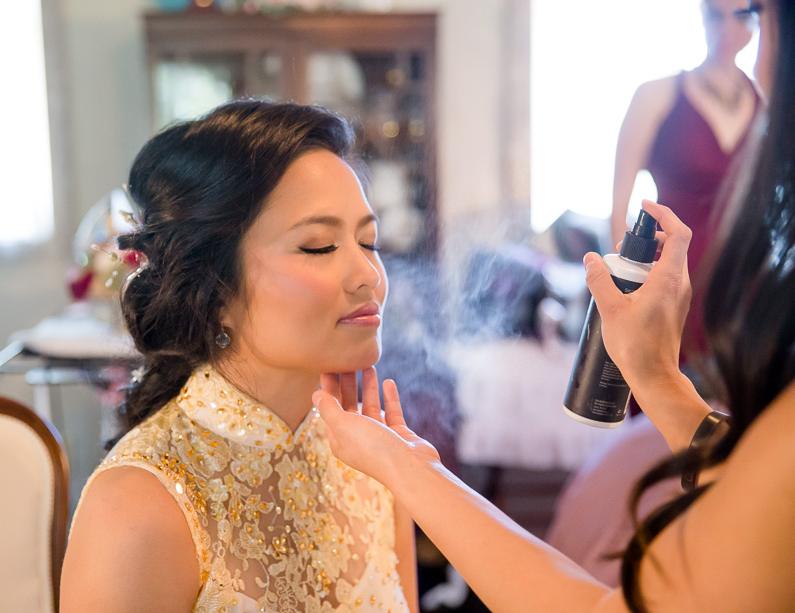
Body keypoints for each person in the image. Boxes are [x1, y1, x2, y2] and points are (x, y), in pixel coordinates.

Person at [315, 0, 795, 610]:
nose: (368, 276)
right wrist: (655, 376)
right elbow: (745, 480)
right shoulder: (660, 96)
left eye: (756, 15)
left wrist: (405, 470)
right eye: (316, 245)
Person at [60, 101, 418, 612]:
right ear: (216, 290)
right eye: (318, 246)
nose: (368, 276)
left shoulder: (375, 461)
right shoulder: (137, 505)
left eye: (369, 241)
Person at [611, 0, 762, 363]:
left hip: (742, 280)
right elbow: (618, 210)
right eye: (714, 14)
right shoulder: (655, 94)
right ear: (700, 15)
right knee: (659, 398)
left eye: (740, 15)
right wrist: (624, 294)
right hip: (671, 274)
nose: (726, 29)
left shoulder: (766, 103)